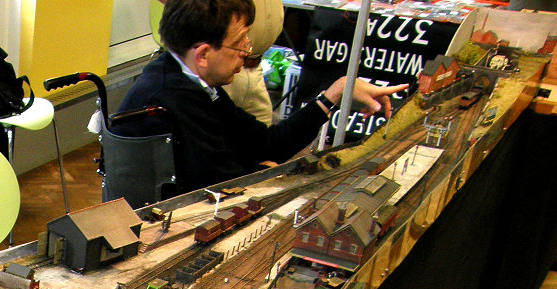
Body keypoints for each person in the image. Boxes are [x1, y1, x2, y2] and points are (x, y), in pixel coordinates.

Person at [114, 0, 406, 193]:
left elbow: (266, 144)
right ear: (202, 54)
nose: (248, 51)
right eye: (239, 43)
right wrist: (260, 171)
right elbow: (223, 184)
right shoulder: (172, 95)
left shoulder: (195, 82)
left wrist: (334, 93)